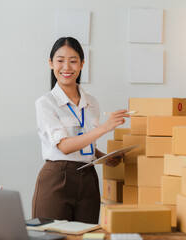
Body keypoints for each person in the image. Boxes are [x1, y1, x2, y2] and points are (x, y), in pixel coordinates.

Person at [32, 37, 129, 224]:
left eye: (73, 61)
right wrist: (104, 128)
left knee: (86, 235)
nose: (66, 67)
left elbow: (84, 142)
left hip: (88, 179)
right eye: (60, 60)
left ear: (82, 64)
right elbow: (65, 147)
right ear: (51, 63)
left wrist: (103, 157)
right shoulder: (45, 103)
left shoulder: (92, 102)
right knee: (50, 236)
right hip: (57, 179)